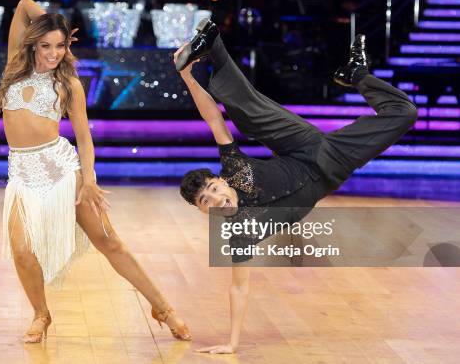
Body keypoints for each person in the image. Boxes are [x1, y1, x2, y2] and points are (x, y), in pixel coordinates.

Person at [175, 20, 418, 354]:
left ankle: (211, 42)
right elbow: (239, 289)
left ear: (219, 181)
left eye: (212, 189)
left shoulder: (233, 168)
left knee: (248, 111)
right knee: (405, 112)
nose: (215, 198)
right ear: (203, 211)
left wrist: (187, 76)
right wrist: (231, 343)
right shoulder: (240, 234)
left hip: (303, 145)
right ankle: (356, 74)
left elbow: (213, 119)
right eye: (205, 200)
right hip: (333, 162)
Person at [0, 0, 190, 343]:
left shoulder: (67, 85)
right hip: (22, 173)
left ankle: (163, 308)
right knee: (22, 249)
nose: (54, 53)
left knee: (109, 242)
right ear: (33, 44)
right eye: (47, 45)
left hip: (62, 170)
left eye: (61, 45)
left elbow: (84, 137)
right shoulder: (13, 69)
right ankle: (41, 314)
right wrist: (53, 21)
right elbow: (22, 4)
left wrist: (90, 181)